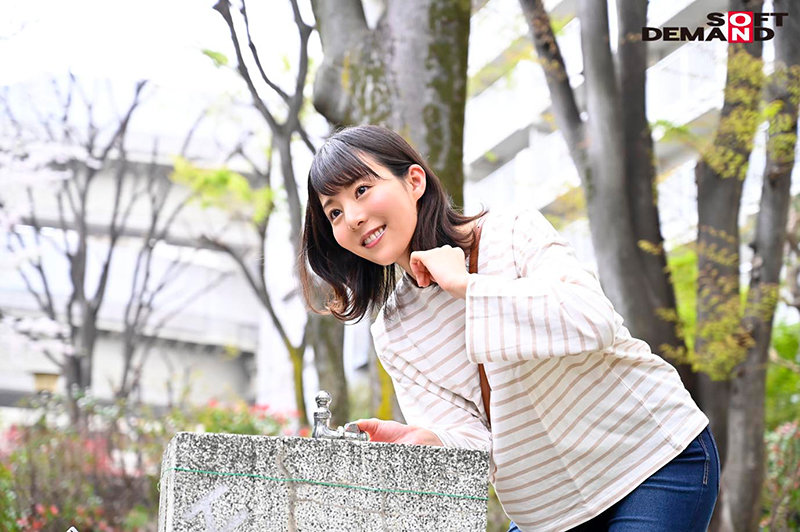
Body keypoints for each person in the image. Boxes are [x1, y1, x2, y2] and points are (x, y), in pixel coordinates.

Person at [299, 124, 719, 532]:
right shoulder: (393, 332)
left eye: (361, 190)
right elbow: (475, 441)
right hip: (551, 512)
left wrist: (466, 287)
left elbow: (594, 320)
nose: (352, 217)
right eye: (334, 211)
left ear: (414, 181)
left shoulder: (510, 230)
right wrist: (428, 441)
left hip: (650, 457)